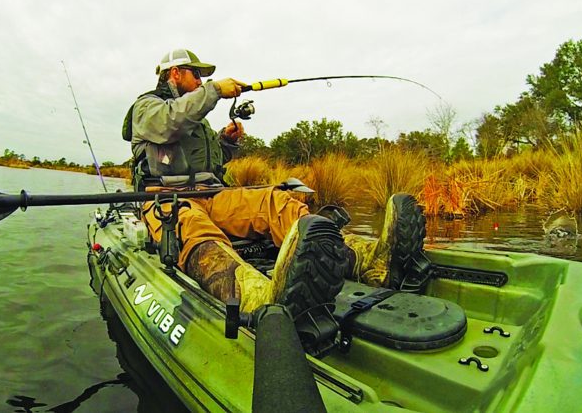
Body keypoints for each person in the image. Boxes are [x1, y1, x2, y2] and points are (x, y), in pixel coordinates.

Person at [123, 49, 427, 317]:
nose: (201, 81)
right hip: (168, 200)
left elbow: (211, 165)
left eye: (205, 78)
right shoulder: (147, 108)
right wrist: (215, 91)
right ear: (175, 74)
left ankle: (367, 262)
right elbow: (167, 124)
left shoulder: (196, 119)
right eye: (197, 75)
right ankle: (260, 298)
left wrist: (226, 143)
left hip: (213, 195)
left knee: (276, 200)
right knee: (193, 229)